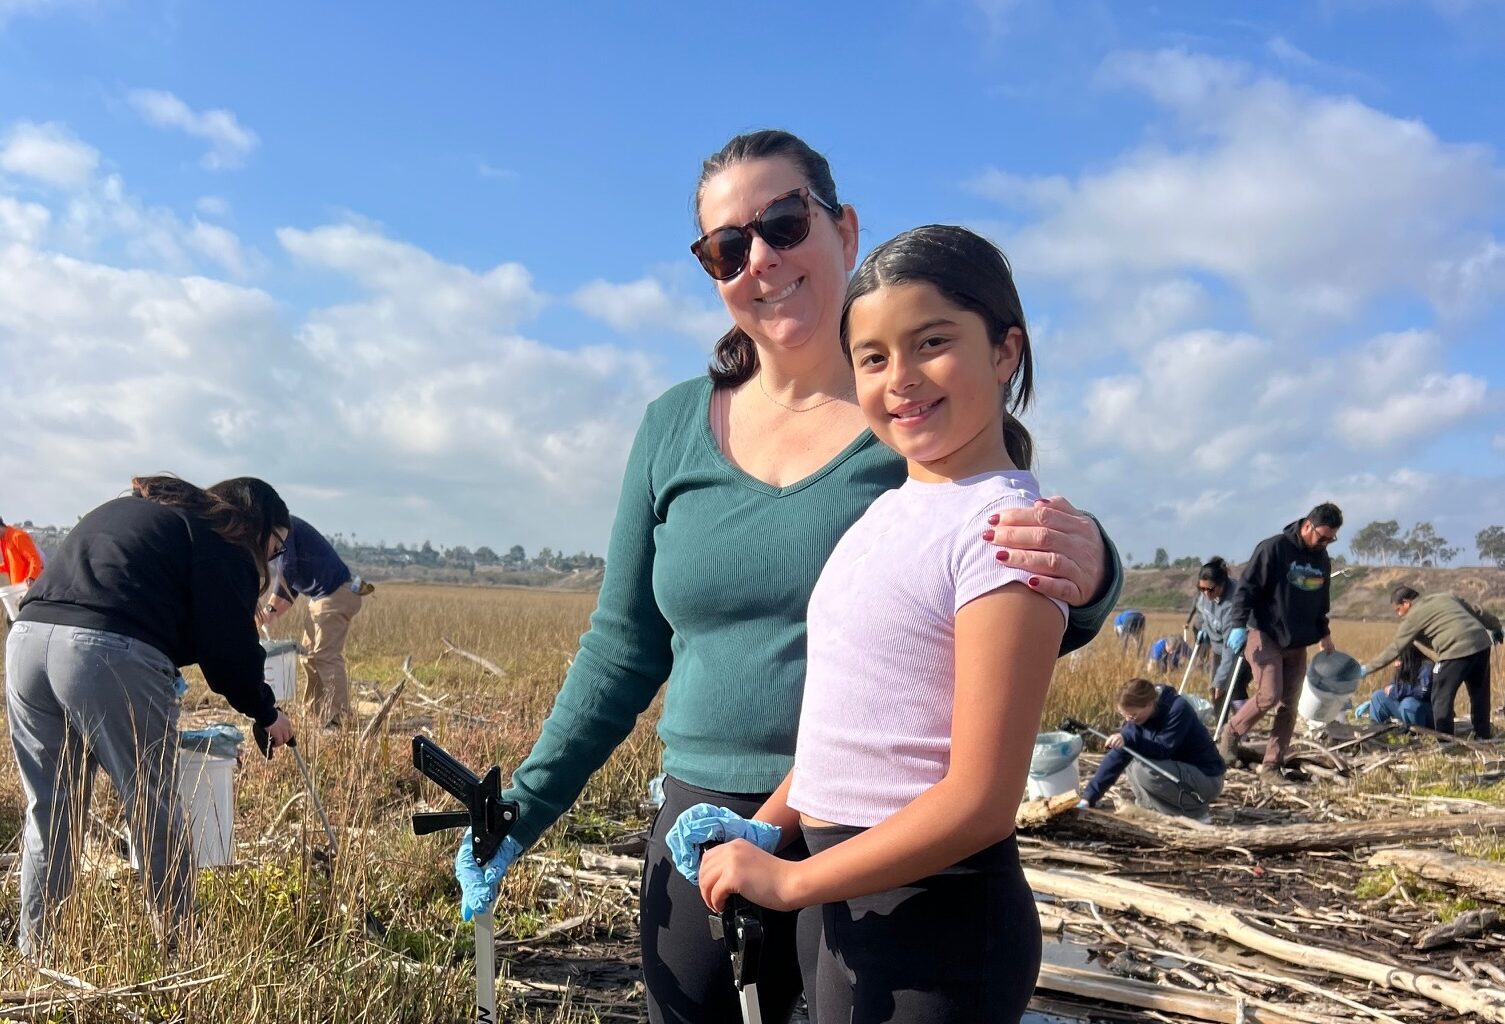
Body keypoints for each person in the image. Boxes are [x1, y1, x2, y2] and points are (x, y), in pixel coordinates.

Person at [452, 130, 1123, 1024]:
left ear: (843, 228)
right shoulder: (672, 429)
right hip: (709, 827)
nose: (760, 259)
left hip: (883, 832)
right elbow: (621, 648)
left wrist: (1099, 572)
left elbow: (1014, 566)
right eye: (727, 247)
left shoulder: (918, 422)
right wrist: (525, 808)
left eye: (782, 223)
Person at [667, 224, 1067, 1021]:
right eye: (874, 357)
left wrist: (789, 882)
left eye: (932, 343)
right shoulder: (886, 513)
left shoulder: (1003, 533)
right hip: (844, 904)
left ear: (1004, 351)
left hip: (937, 924)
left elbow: (981, 801)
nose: (902, 379)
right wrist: (768, 825)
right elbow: (845, 732)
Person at [5, 475, 295, 956]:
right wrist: (266, 711)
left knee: (52, 815)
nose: (273, 556)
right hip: (104, 654)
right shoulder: (222, 540)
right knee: (151, 806)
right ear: (256, 524)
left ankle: (37, 955)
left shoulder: (151, 514)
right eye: (276, 544)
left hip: (26, 643)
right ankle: (180, 950)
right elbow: (229, 650)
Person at [1219, 503, 1342, 786]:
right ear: (1308, 525)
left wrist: (1324, 632)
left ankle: (1272, 766)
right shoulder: (1274, 548)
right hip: (1264, 633)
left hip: (1298, 640)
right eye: (1322, 537)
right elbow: (1247, 588)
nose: (1325, 543)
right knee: (1269, 695)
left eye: (1330, 539)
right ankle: (1231, 732)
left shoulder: (1321, 560)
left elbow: (1321, 601)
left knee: (1290, 704)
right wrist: (1238, 624)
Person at [259, 515, 374, 729]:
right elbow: (291, 588)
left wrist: (270, 608)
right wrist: (271, 614)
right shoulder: (282, 533)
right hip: (321, 597)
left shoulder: (282, 528)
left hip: (335, 594)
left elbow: (288, 572)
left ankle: (338, 718)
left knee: (325, 656)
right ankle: (315, 713)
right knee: (308, 657)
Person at [1360, 585, 1501, 739]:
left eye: (1398, 609)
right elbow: (1477, 611)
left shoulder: (1413, 616)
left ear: (1406, 603)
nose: (1399, 615)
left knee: (1440, 696)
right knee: (1479, 694)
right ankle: (1483, 736)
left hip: (1455, 650)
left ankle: (1445, 741)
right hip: (1481, 644)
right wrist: (1496, 627)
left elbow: (1395, 648)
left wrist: (1367, 669)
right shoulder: (1445, 596)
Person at [1079, 678, 1224, 821]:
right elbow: (1116, 757)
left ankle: (1194, 814)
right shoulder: (1135, 720)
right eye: (1124, 715)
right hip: (1177, 772)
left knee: (1144, 769)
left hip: (1206, 779)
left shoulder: (1178, 709)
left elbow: (1163, 749)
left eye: (1133, 715)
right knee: (1129, 758)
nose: (1129, 720)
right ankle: (1149, 809)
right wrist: (1089, 797)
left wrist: (1128, 740)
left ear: (1149, 704)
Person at [1190, 557, 1246, 709]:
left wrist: (1220, 680)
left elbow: (1229, 649)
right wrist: (1202, 627)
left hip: (1237, 648)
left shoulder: (1232, 603)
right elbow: (1201, 610)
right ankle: (1221, 727)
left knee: (1232, 688)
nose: (1206, 594)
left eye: (1210, 589)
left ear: (1222, 585)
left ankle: (1238, 728)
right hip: (1217, 646)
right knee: (1214, 690)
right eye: (1202, 589)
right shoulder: (1205, 593)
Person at [1356, 643, 1434, 729]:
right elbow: (1391, 688)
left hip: (1423, 712)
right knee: (1378, 696)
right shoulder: (1403, 669)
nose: (1395, 664)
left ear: (1408, 658)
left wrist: (1395, 691)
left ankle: (1415, 733)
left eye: (1399, 660)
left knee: (1408, 703)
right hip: (1403, 709)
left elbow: (1423, 691)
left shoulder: (1427, 667)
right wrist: (1371, 703)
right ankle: (1375, 730)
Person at [0, 516, 45, 587]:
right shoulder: (4, 540)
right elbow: (9, 565)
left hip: (28, 586)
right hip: (18, 588)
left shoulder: (18, 536)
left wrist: (32, 577)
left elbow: (35, 559)